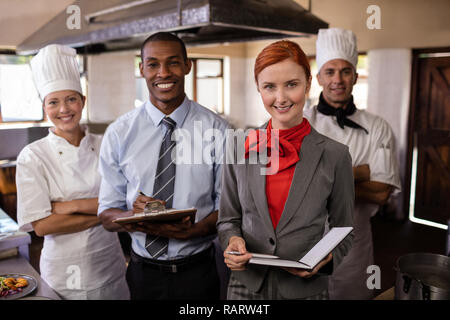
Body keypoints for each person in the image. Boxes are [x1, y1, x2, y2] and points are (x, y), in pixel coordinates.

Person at [217, 40, 354, 300]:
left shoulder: (336, 155)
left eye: (291, 84)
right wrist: (232, 241)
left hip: (305, 290)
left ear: (308, 83)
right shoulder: (238, 147)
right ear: (258, 88)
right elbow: (228, 220)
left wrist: (326, 258)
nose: (280, 98)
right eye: (269, 87)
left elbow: (343, 229)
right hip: (246, 285)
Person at [97, 32, 229, 300]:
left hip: (199, 273)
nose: (164, 73)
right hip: (143, 274)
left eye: (173, 62)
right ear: (142, 69)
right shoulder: (119, 133)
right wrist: (133, 219)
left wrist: (193, 231)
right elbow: (106, 215)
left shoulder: (218, 130)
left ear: (188, 65)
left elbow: (228, 209)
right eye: (154, 64)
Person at [16, 44, 130, 300]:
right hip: (63, 273)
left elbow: (126, 200)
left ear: (83, 101)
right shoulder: (33, 156)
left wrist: (69, 206)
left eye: (71, 99)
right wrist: (107, 215)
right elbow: (43, 226)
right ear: (44, 106)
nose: (64, 109)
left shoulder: (107, 144)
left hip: (110, 266)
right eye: (53, 102)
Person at [304, 28, 401, 299]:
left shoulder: (378, 127)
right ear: (319, 77)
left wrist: (322, 180)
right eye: (330, 71)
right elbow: (290, 183)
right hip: (303, 241)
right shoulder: (300, 122)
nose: (338, 79)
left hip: (354, 245)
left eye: (345, 71)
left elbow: (382, 191)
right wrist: (359, 173)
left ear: (356, 77)